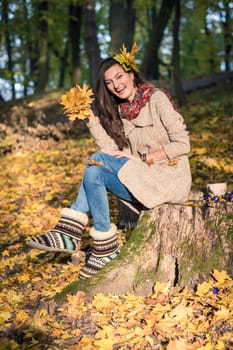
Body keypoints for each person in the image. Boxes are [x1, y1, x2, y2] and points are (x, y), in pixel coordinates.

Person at [28, 43, 192, 279]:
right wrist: (91, 120)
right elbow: (114, 154)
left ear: (131, 74)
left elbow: (182, 145)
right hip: (144, 181)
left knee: (96, 160)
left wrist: (141, 158)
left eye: (119, 76)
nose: (116, 84)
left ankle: (70, 231)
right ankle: (105, 247)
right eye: (109, 82)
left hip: (170, 181)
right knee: (95, 170)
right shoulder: (123, 111)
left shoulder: (157, 99)